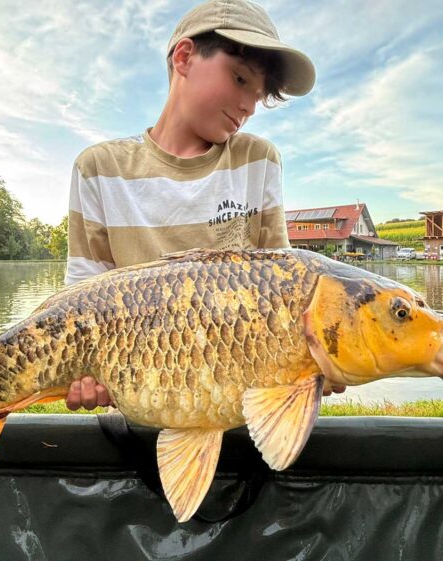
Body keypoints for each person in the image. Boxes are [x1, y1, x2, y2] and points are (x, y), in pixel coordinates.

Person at [64, 0, 345, 411]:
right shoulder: (99, 168)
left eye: (259, 95)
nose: (249, 105)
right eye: (239, 78)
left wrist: (317, 360)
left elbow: (287, 291)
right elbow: (79, 305)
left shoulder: (258, 161)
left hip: (237, 405)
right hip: (134, 408)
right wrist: (83, 377)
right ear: (184, 57)